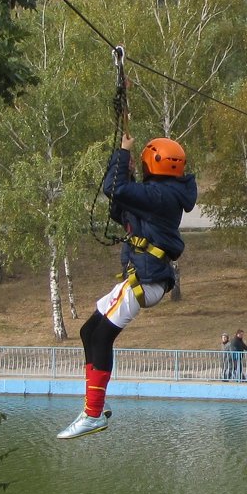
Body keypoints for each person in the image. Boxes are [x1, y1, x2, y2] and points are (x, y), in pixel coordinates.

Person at [56, 133, 198, 439]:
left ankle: (93, 414)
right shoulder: (160, 194)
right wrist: (125, 167)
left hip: (145, 280)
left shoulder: (161, 196)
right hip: (144, 277)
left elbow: (114, 188)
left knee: (102, 337)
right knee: (88, 332)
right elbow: (119, 204)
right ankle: (97, 401)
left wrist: (122, 153)